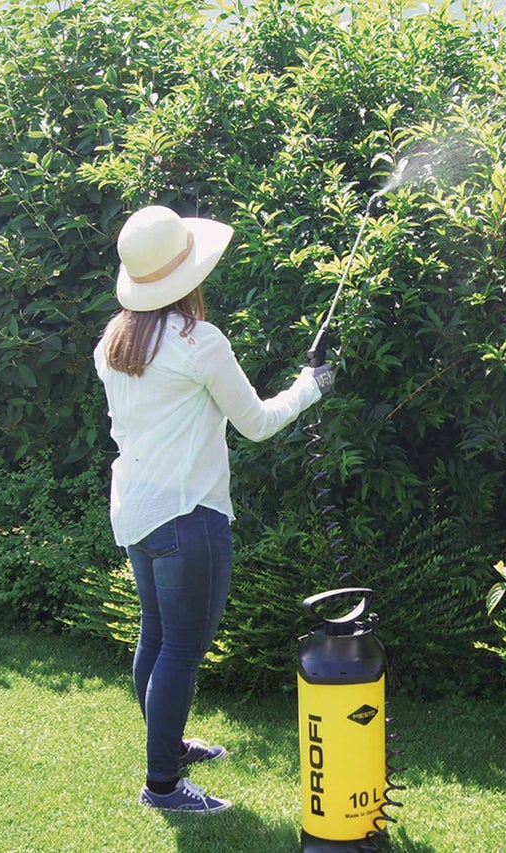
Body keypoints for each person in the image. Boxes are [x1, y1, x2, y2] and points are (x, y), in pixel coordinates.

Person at [94, 205, 334, 814]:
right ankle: (163, 786)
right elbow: (255, 423)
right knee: (180, 648)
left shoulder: (113, 342)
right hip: (187, 515)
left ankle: (166, 749)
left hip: (136, 512)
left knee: (156, 636)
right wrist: (311, 387)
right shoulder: (199, 343)